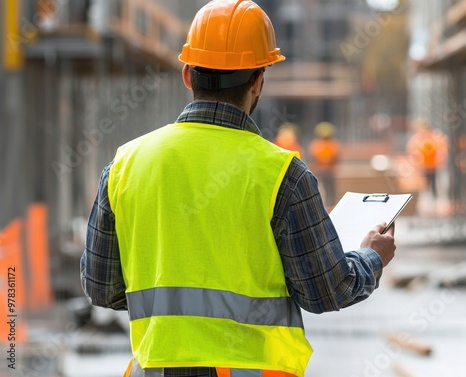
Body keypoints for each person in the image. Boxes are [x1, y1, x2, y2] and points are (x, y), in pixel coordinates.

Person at [80, 1, 396, 377]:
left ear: (186, 74)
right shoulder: (283, 174)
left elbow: (101, 288)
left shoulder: (124, 166)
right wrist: (370, 257)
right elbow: (326, 289)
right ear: (259, 81)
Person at [406, 118, 448, 199]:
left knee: (435, 184)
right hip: (423, 167)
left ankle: (435, 198)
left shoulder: (434, 138)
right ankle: (426, 199)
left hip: (433, 166)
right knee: (424, 186)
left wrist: (440, 162)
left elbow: (442, 150)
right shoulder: (416, 139)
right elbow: (412, 152)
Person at [308, 121, 341, 207]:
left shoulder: (331, 144)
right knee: (323, 187)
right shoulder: (318, 144)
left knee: (329, 188)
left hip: (328, 170)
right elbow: (315, 156)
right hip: (321, 170)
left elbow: (335, 156)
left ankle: (330, 203)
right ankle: (325, 203)